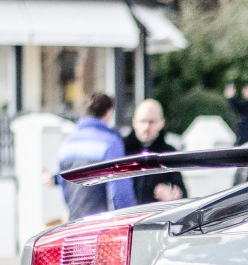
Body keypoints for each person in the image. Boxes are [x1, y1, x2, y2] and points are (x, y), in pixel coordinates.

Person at [57, 93, 135, 221]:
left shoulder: (67, 143)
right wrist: (130, 218)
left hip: (76, 220)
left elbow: (64, 187)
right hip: (102, 223)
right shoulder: (111, 142)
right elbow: (120, 190)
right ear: (109, 112)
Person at [122, 99, 185, 205]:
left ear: (161, 123)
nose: (146, 127)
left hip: (154, 216)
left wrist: (171, 197)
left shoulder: (169, 153)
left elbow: (181, 193)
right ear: (134, 122)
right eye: (142, 121)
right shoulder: (122, 149)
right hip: (125, 215)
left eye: (151, 122)